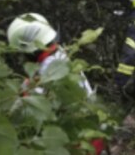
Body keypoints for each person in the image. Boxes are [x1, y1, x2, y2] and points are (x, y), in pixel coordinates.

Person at [6, 13, 106, 153]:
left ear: (28, 50)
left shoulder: (45, 76)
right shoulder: (60, 55)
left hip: (78, 146)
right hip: (93, 137)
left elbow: (31, 118)